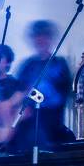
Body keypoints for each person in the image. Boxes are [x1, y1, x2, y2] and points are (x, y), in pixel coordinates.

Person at [12, 21, 74, 152]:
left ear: (50, 39)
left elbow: (62, 97)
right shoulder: (27, 65)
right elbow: (19, 94)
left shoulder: (60, 64)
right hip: (27, 133)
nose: (40, 40)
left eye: (44, 36)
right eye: (37, 36)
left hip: (51, 131)